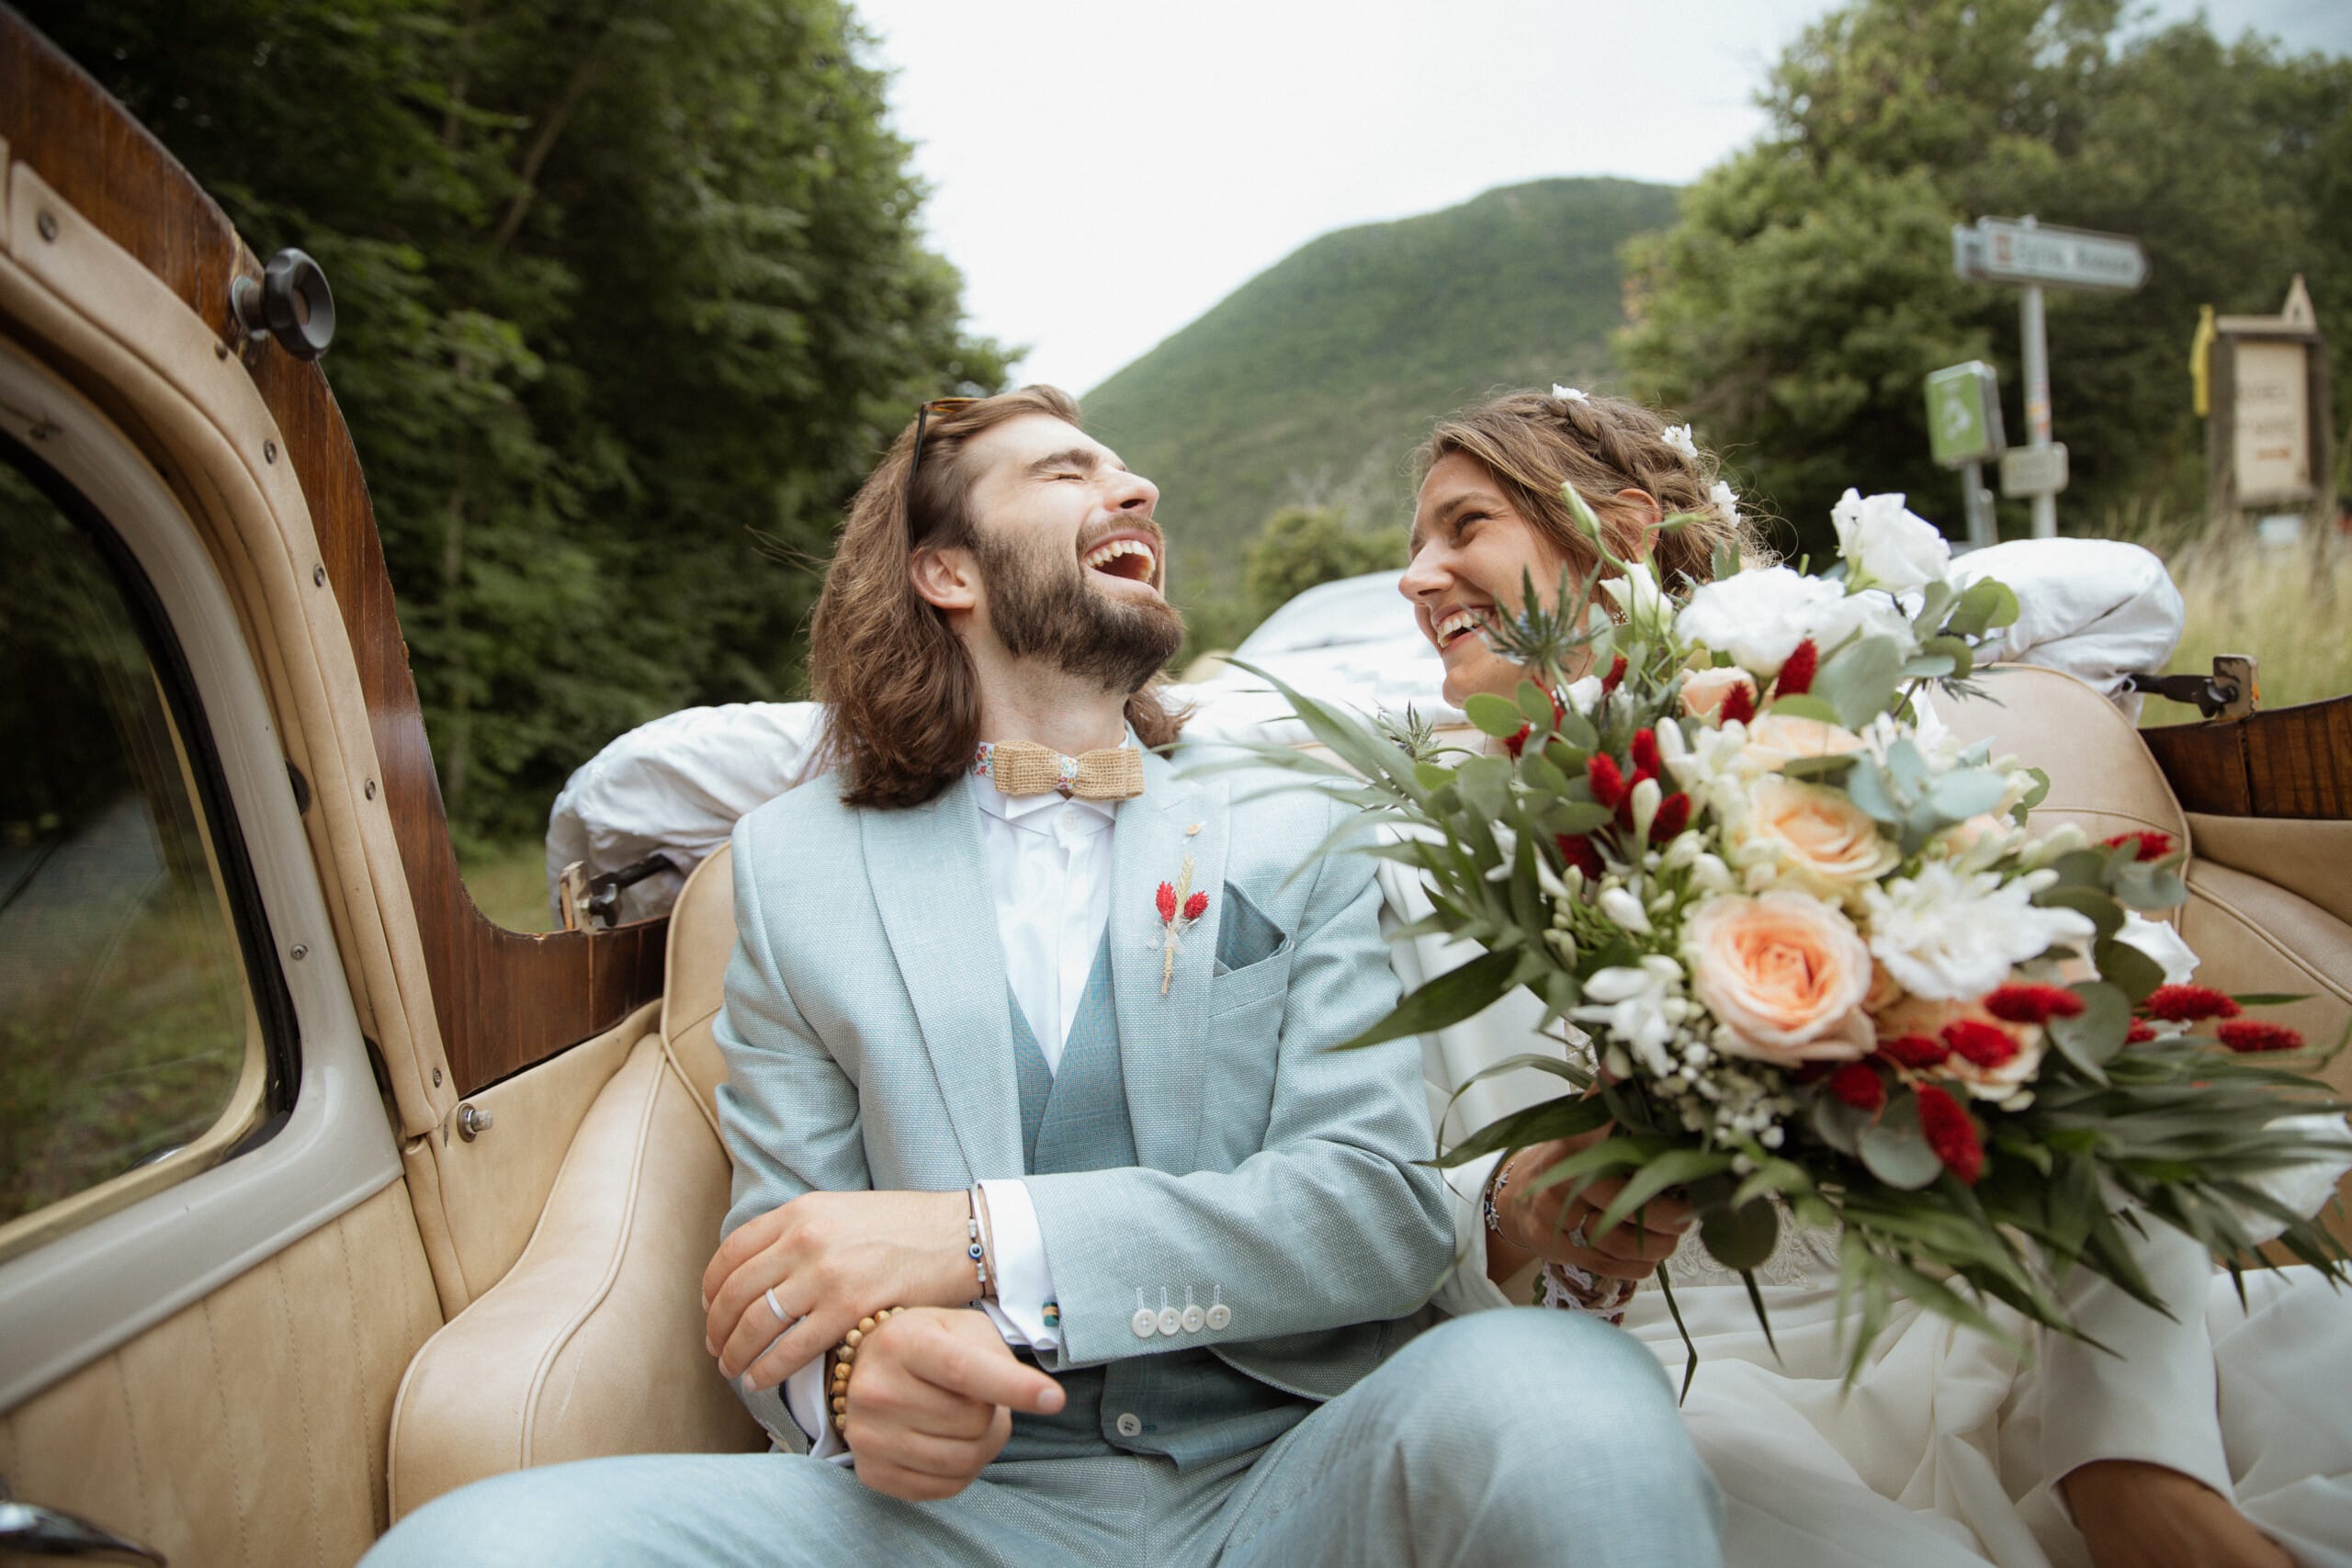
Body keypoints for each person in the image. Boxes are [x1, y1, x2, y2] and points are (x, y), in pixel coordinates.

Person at [366, 387, 1723, 1567]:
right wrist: (853, 1376)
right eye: (1066, 469)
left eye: (1127, 470)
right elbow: (781, 1251)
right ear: (946, 571)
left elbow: (1372, 1209)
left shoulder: (1296, 819)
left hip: (1300, 1475)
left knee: (1565, 1392)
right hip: (946, 1517)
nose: (1132, 484)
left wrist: (982, 1240)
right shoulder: (790, 867)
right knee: (468, 1543)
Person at [1392, 387, 2352, 1568]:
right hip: (1694, 1393)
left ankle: (2131, 1469)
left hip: (2014, 1332)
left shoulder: (1834, 730)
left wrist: (1771, 641)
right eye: (1415, 543)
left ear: (1620, 528)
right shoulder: (1418, 827)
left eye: (1462, 524)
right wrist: (1527, 1216)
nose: (1416, 576)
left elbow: (2126, 593)